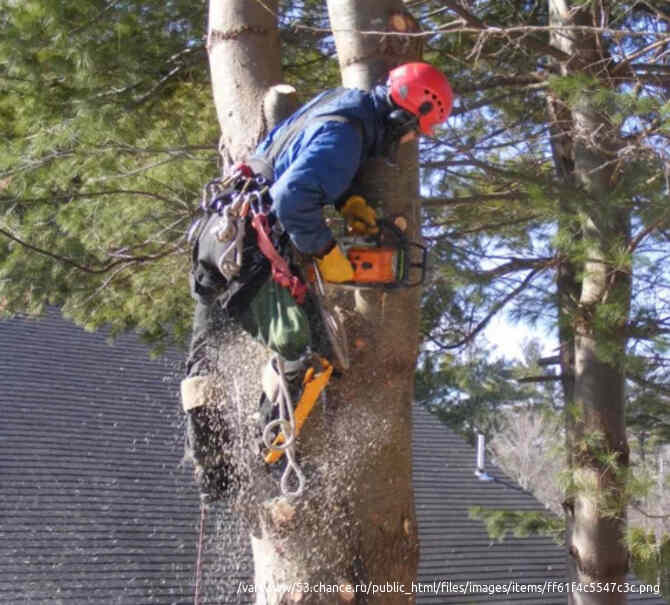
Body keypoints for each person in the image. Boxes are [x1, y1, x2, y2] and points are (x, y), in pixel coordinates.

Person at [180, 62, 454, 501]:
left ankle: (210, 469)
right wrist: (327, 252)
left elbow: (299, 159)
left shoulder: (341, 106)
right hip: (249, 252)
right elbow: (292, 197)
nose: (412, 139)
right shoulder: (348, 136)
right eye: (417, 129)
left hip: (216, 235)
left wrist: (347, 199)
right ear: (406, 115)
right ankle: (262, 459)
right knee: (306, 352)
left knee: (206, 357)